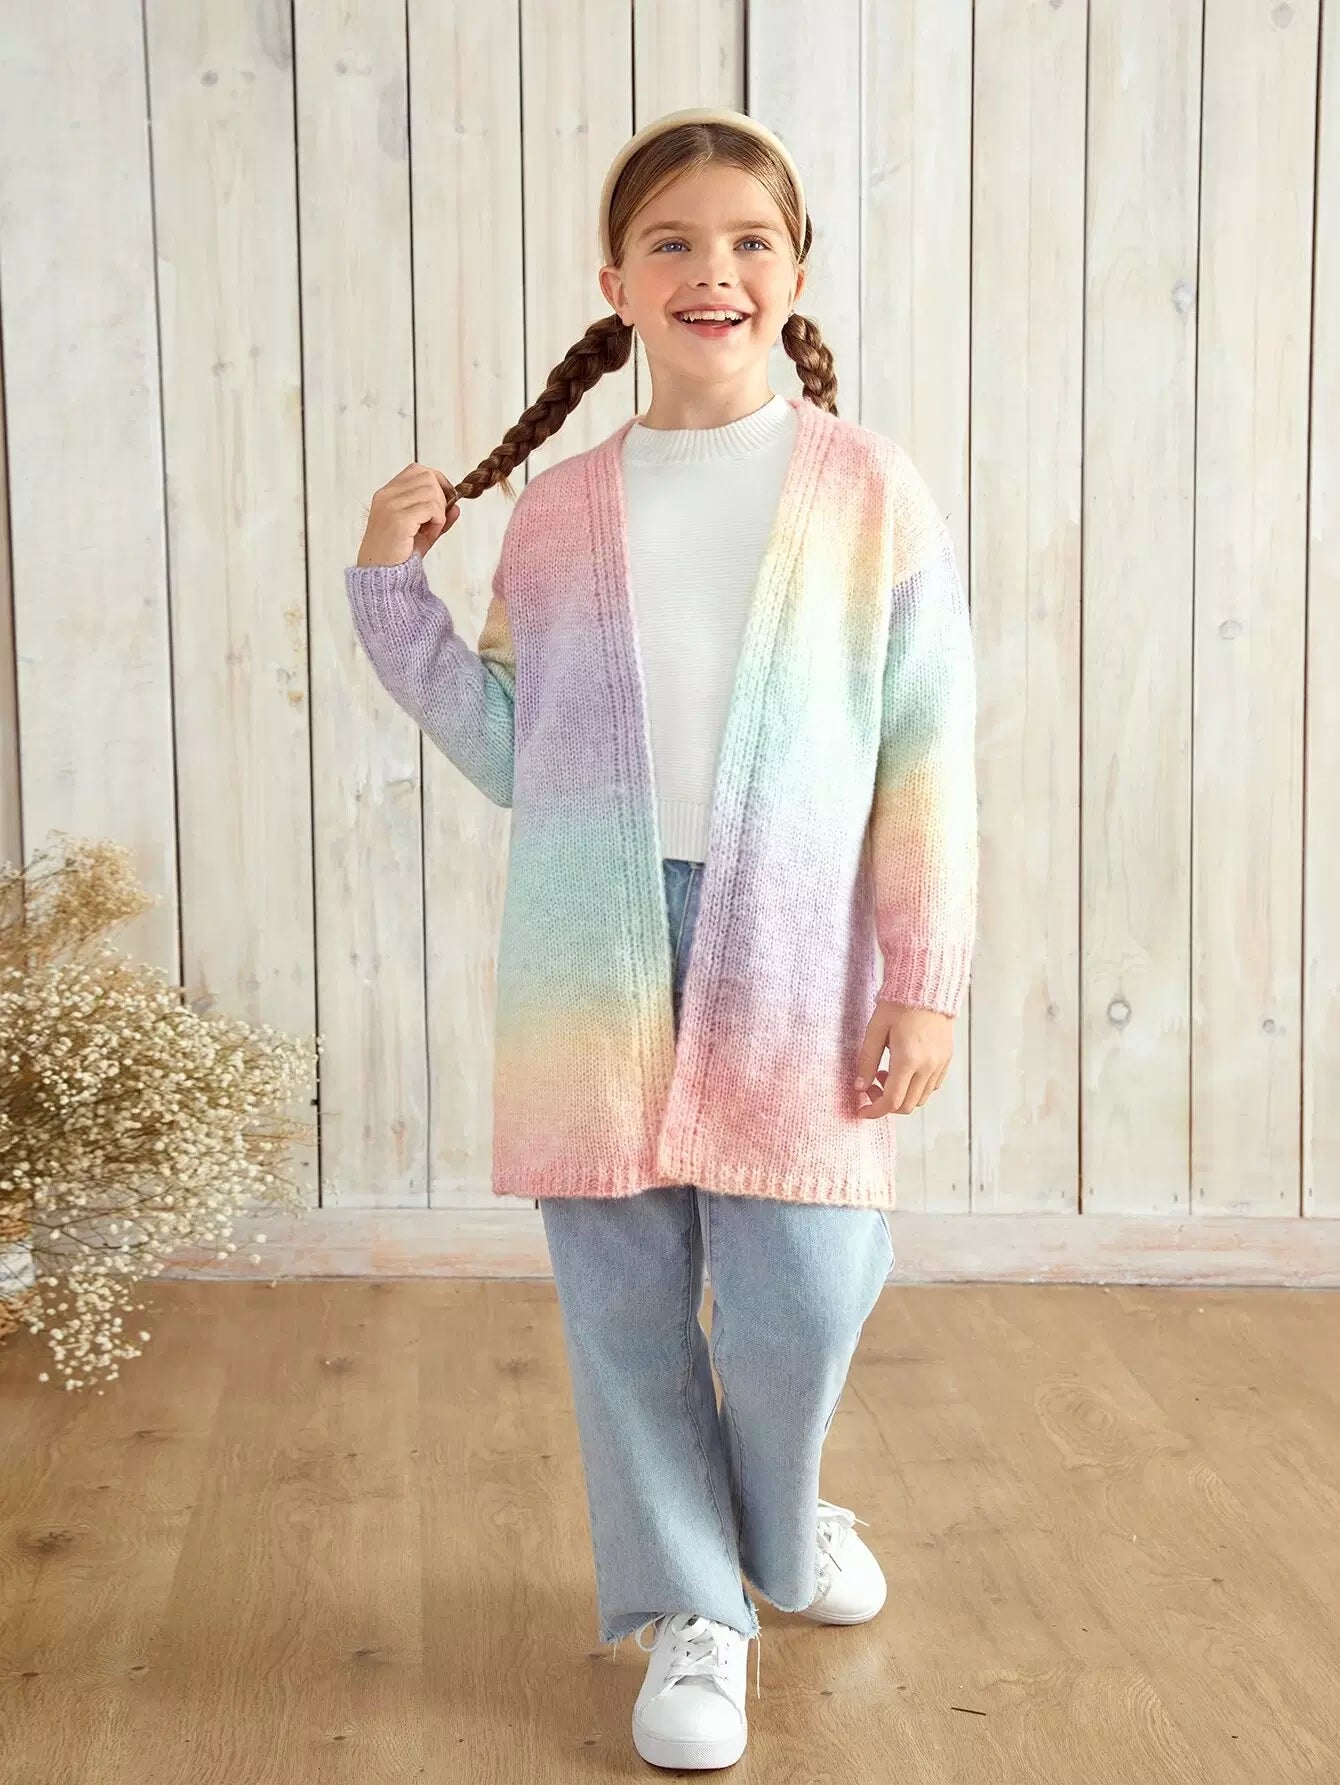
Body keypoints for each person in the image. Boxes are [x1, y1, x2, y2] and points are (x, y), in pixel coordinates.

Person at [345, 107, 978, 1773]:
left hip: (800, 954)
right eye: (675, 242)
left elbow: (925, 752)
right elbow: (513, 751)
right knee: (625, 1308)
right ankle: (698, 1610)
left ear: (796, 271)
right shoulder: (559, 512)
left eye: (751, 240)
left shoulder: (868, 490)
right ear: (615, 279)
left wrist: (926, 978)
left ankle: (780, 1514)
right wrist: (396, 598)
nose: (716, 270)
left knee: (805, 1290)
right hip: (591, 952)